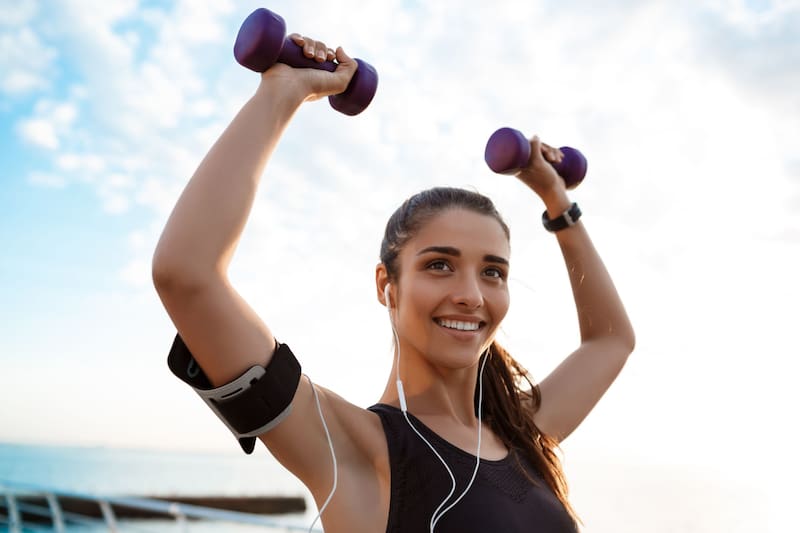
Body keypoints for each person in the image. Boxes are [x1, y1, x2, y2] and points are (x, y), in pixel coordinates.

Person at [152, 34, 635, 533]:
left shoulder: (524, 432)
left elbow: (612, 340)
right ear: (387, 284)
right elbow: (187, 274)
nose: (471, 294)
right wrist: (281, 92)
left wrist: (557, 202)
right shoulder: (356, 450)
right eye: (439, 265)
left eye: (493, 271)